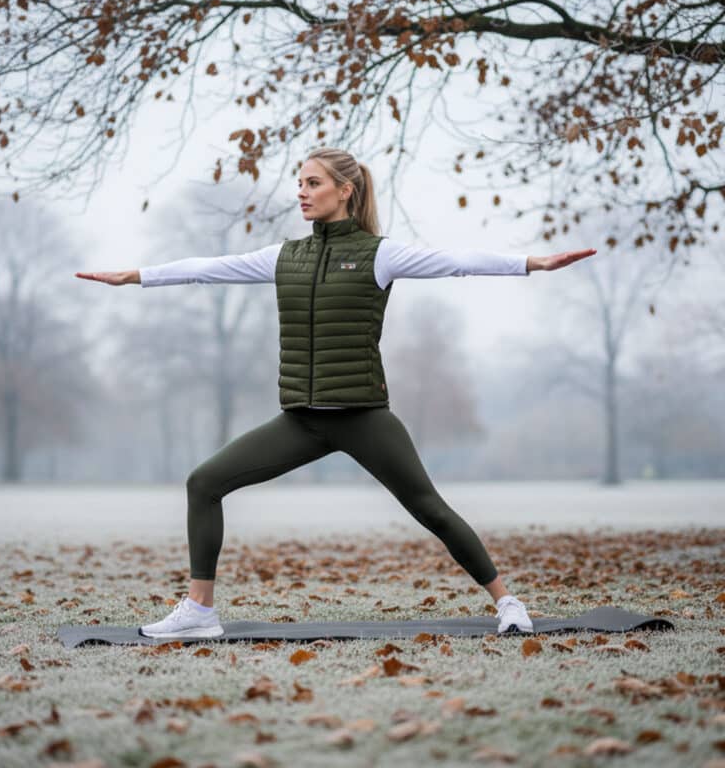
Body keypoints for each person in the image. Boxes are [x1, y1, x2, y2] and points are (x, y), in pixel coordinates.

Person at [76, 147, 596, 639]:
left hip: (363, 417)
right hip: (301, 421)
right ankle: (199, 611)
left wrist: (531, 263)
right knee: (203, 483)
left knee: (429, 508)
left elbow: (455, 261)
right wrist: (136, 277)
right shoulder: (284, 257)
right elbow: (207, 268)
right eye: (299, 183)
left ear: (345, 190)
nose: (301, 192)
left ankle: (508, 602)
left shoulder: (379, 255)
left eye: (313, 183)